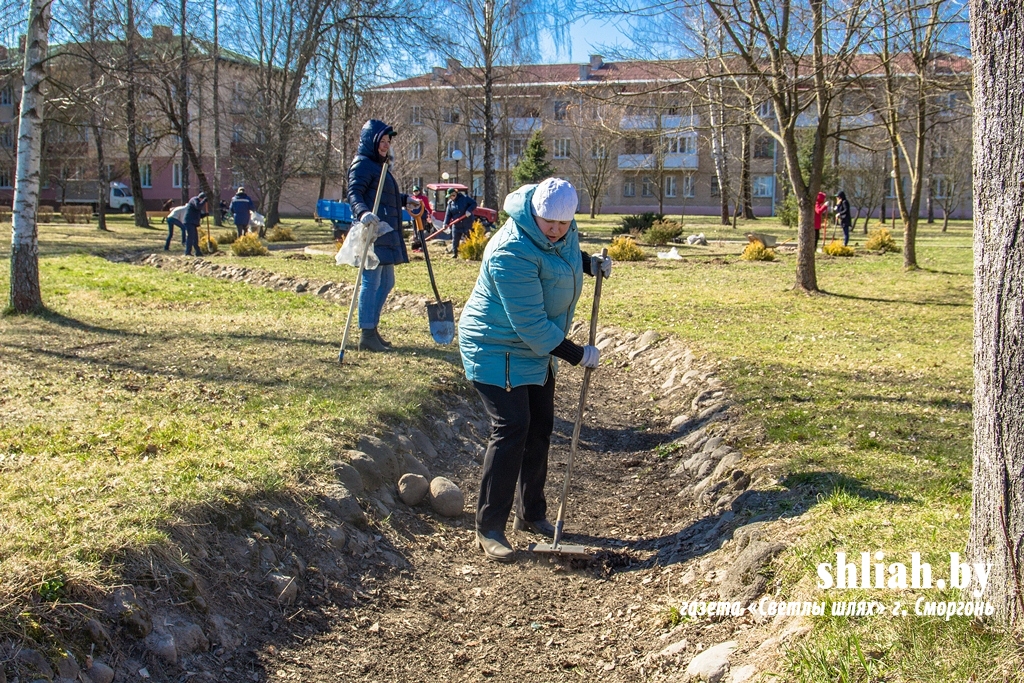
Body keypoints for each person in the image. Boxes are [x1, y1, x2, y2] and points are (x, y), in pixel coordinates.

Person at [458, 177, 613, 563]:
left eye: (565, 224)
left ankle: (531, 514)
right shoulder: (509, 252)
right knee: (512, 428)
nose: (558, 231)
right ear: (534, 213)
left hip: (534, 349)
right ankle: (489, 526)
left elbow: (560, 255)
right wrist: (578, 354)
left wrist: (589, 263)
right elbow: (531, 326)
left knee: (541, 426)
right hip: (495, 346)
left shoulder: (560, 228)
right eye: (550, 224)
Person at [347, 119, 420, 352]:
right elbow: (355, 193)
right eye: (382, 140)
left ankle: (373, 329)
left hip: (386, 231)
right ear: (372, 140)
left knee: (387, 281)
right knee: (372, 281)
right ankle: (366, 334)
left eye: (389, 141)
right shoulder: (363, 164)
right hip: (373, 231)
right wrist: (363, 212)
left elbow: (386, 196)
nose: (386, 145)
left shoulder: (381, 167)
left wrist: (405, 200)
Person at [443, 187, 477, 258]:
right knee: (455, 240)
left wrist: (469, 210)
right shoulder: (450, 204)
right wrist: (445, 223)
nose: (450, 198)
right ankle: (455, 254)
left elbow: (474, 203)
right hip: (456, 224)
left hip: (467, 223)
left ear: (454, 194)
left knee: (470, 238)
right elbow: (448, 215)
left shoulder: (465, 198)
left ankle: (472, 254)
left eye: (451, 196)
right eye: (449, 197)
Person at [183, 192, 208, 257]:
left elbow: (198, 214)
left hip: (193, 222)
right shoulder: (194, 199)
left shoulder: (198, 202)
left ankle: (197, 252)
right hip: (189, 221)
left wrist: (205, 215)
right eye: (202, 200)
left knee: (195, 238)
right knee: (190, 237)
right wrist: (204, 201)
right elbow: (198, 207)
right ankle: (187, 252)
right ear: (201, 198)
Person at [409, 185, 432, 252]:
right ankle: (416, 246)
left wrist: (430, 214)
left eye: (417, 191)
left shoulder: (423, 198)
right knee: (415, 233)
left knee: (420, 232)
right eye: (414, 191)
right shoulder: (411, 198)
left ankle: (422, 247)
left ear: (419, 191)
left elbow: (427, 207)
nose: (415, 192)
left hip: (422, 217)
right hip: (414, 217)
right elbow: (409, 208)